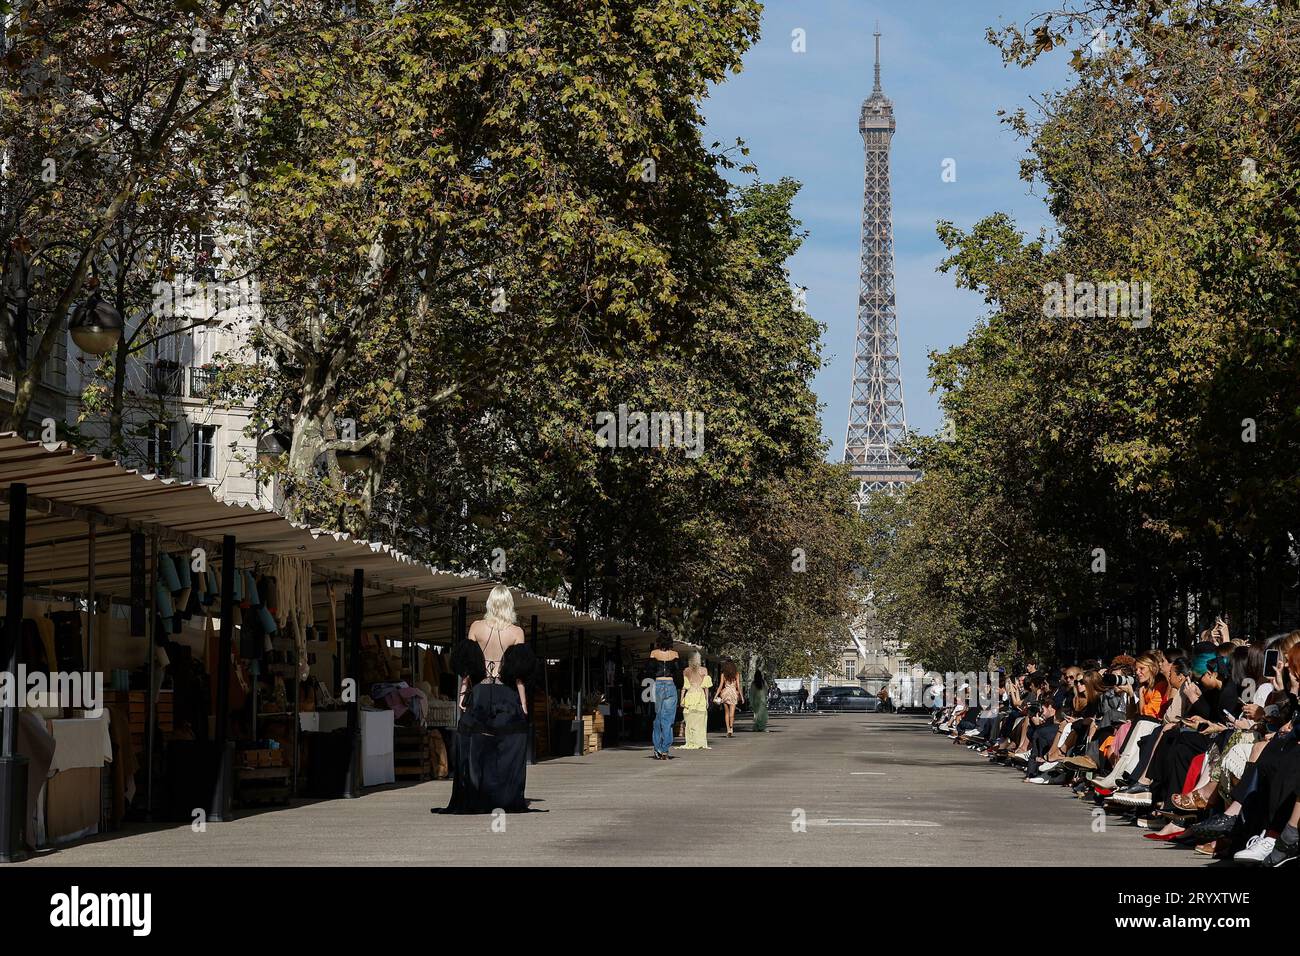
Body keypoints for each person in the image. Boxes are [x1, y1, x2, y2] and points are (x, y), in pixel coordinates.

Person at [440, 585, 536, 814]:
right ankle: (504, 795)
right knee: (508, 743)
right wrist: (523, 703)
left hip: (481, 691)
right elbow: (518, 675)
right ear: (509, 604)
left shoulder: (476, 627)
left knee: (474, 742)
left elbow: (468, 668)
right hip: (506, 693)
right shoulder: (516, 632)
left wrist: (463, 693)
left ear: (489, 603)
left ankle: (474, 793)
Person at [649, 633, 680, 759]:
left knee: (657, 718)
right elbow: (678, 672)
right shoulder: (675, 654)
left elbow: (650, 670)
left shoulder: (654, 653)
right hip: (670, 685)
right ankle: (665, 749)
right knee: (668, 719)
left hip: (658, 685)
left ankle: (657, 748)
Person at [680, 652, 713, 749]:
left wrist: (681, 699)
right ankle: (700, 741)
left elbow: (684, 687)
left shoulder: (686, 670)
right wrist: (707, 700)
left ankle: (691, 740)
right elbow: (706, 687)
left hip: (690, 695)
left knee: (690, 720)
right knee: (701, 720)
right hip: (700, 695)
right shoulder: (704, 670)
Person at [716, 659, 744, 736]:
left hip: (725, 693)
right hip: (733, 693)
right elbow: (738, 686)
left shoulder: (723, 674)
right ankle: (731, 728)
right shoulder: (736, 674)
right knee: (732, 713)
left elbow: (721, 685)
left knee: (726, 713)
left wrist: (716, 695)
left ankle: (728, 728)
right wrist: (741, 696)